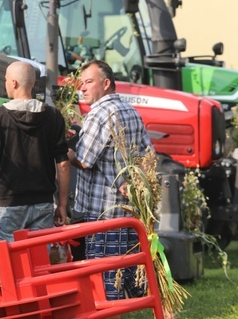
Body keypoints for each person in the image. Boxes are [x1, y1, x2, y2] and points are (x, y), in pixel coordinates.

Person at [68, 59, 153, 300]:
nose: (82, 88)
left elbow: (84, 160)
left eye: (89, 82)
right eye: (81, 83)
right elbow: (149, 156)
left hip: (103, 212)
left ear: (106, 84)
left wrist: (65, 151)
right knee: (131, 274)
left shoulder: (101, 113)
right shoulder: (130, 110)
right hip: (129, 213)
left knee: (106, 285)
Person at [0, 61, 70, 261]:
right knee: (38, 264)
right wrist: (62, 204)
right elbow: (63, 164)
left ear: (13, 83)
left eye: (5, 80)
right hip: (43, 205)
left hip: (10, 204)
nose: (5, 84)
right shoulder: (54, 116)